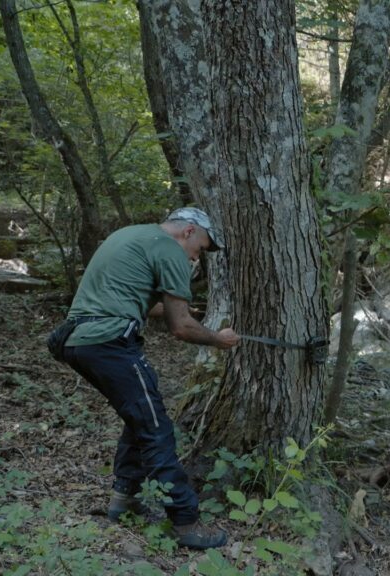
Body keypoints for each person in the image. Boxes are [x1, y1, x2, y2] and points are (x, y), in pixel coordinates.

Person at [61, 207, 240, 550]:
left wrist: (191, 313)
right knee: (157, 429)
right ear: (189, 231)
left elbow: (135, 299)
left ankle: (123, 499)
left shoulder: (131, 234)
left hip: (77, 339)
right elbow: (180, 327)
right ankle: (186, 523)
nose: (196, 257)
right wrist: (219, 339)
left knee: (139, 415)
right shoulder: (170, 249)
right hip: (109, 342)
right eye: (200, 248)